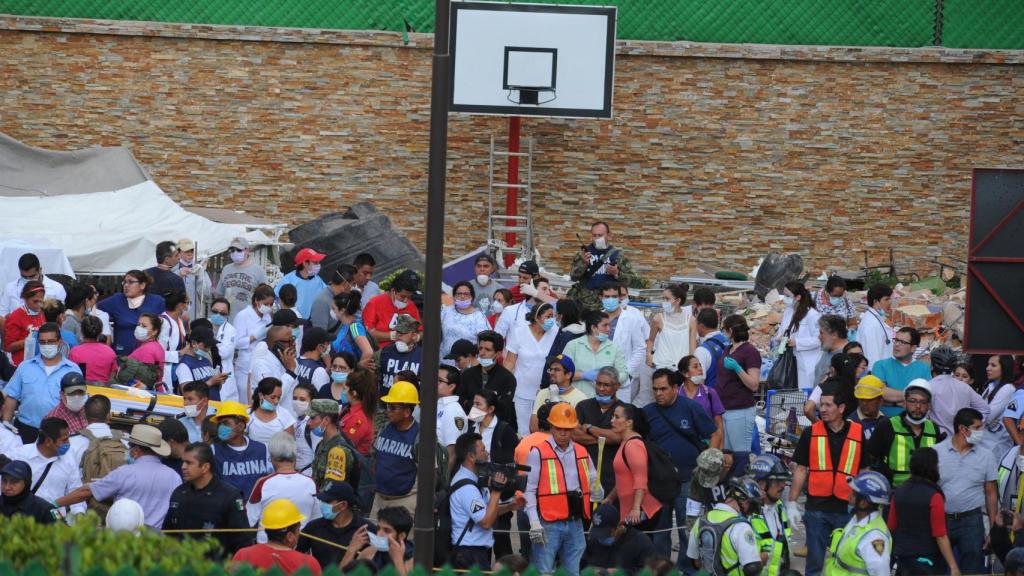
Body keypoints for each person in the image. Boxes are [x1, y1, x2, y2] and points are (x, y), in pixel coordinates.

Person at [789, 384, 868, 576]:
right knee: (815, 563)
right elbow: (801, 469)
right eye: (821, 405)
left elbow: (864, 471)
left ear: (841, 408)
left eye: (828, 405)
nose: (822, 409)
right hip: (817, 508)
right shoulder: (810, 433)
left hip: (846, 508)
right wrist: (791, 502)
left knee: (844, 561)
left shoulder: (858, 433)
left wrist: (865, 506)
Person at [643, 367, 717, 566]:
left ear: (675, 388)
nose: (658, 393)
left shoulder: (691, 408)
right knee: (660, 532)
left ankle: (688, 569)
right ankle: (661, 570)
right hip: (658, 484)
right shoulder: (647, 413)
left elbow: (714, 433)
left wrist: (709, 461)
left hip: (688, 481)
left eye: (663, 389)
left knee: (688, 530)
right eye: (655, 389)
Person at [55, 423, 182, 528]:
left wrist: (55, 504)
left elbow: (86, 492)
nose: (128, 451)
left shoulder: (125, 473)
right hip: (156, 540)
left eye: (130, 447)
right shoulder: (174, 477)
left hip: (125, 538)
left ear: (136, 450)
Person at [524, 402, 599, 576]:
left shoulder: (581, 452)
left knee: (573, 571)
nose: (563, 433)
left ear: (573, 429)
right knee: (544, 571)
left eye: (568, 429)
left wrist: (597, 489)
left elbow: (593, 479)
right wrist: (534, 521)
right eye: (559, 428)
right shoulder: (538, 452)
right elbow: (529, 490)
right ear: (551, 426)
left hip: (575, 521)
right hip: (548, 522)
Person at [935, 407, 999, 575]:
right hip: (942, 521)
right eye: (977, 428)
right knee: (940, 568)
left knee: (972, 569)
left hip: (972, 521)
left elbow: (991, 493)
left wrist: (993, 528)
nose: (981, 432)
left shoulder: (986, 456)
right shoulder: (937, 452)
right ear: (963, 429)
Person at [163, 442, 252, 556]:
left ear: (205, 467)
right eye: (183, 462)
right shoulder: (179, 493)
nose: (183, 467)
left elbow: (243, 541)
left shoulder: (229, 496)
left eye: (189, 463)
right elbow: (168, 534)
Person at [449, 432, 521, 569]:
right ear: (471, 456)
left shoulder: (474, 480)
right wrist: (496, 491)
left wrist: (509, 507)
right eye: (482, 450)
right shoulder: (467, 488)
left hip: (475, 552)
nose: (487, 453)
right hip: (468, 555)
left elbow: (487, 510)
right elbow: (486, 522)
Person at [2, 322, 82, 442]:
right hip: (25, 430)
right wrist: (5, 425)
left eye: (51, 341)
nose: (47, 345)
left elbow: (77, 404)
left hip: (57, 434)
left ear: (60, 342)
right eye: (43, 342)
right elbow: (11, 397)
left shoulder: (73, 370)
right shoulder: (25, 367)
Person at [887, 447, 961, 575]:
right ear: (932, 467)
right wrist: (953, 566)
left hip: (902, 560)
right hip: (926, 561)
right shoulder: (934, 496)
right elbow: (940, 535)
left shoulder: (898, 492)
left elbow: (891, 526)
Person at [468, 388, 520, 559]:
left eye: (478, 404)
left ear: (490, 409)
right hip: (476, 493)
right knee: (480, 544)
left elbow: (512, 464)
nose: (473, 407)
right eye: (473, 403)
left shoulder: (505, 431)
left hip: (499, 495)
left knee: (501, 542)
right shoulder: (470, 427)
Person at [866, 379, 943, 487]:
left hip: (925, 492)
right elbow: (869, 459)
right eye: (912, 401)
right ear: (904, 402)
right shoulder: (888, 425)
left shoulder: (934, 428)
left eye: (923, 402)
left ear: (929, 405)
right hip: (894, 492)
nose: (917, 406)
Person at [685, 477, 764, 576]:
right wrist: (763, 559)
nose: (750, 513)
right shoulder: (741, 527)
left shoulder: (700, 521)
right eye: (752, 507)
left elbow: (695, 562)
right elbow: (752, 569)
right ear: (745, 502)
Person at [247, 432, 320, 540]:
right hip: (300, 544)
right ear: (294, 456)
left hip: (267, 544)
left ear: (273, 458)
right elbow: (317, 517)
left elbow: (250, 518)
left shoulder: (263, 483)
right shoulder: (310, 483)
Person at [6, 417, 84, 517]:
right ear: (48, 441)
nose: (68, 444)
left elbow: (75, 490)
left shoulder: (69, 459)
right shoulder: (18, 456)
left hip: (54, 518)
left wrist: (79, 514)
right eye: (64, 440)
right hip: (22, 518)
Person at [823, 470, 892, 576]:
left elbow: (881, 572)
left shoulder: (874, 537)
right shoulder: (857, 520)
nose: (849, 496)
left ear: (863, 503)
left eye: (854, 494)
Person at [505, 301, 558, 435]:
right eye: (548, 316)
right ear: (537, 317)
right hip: (522, 390)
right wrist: (504, 383)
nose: (552, 319)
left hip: (546, 391)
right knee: (524, 430)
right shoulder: (519, 332)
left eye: (553, 316)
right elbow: (510, 361)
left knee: (545, 430)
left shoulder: (556, 332)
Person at [233, 498, 323, 575]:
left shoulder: (243, 555)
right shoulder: (308, 564)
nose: (299, 533)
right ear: (290, 536)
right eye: (298, 530)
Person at [607, 403, 661, 530]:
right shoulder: (625, 442)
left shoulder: (633, 445)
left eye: (617, 417)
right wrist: (610, 498)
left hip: (641, 510)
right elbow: (624, 477)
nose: (612, 420)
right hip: (631, 509)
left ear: (629, 423)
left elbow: (640, 479)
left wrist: (636, 508)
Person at [298, 480, 374, 568]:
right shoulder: (313, 527)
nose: (322, 504)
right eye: (321, 501)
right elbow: (296, 554)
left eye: (326, 501)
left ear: (343, 505)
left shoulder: (366, 531)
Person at [371, 381, 420, 518]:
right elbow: (376, 457)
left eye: (393, 408)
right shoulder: (386, 427)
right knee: (375, 539)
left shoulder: (420, 436)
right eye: (388, 406)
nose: (388, 411)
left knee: (402, 540)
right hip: (379, 499)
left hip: (405, 502)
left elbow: (430, 475)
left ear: (407, 412)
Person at [573, 366, 624, 494]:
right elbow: (574, 435)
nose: (601, 389)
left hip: (611, 475)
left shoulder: (624, 409)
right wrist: (605, 438)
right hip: (584, 472)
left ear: (617, 386)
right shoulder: (583, 406)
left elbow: (618, 437)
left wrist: (590, 428)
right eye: (598, 384)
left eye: (606, 385)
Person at [211, 400, 273, 500]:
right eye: (219, 424)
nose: (221, 427)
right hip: (228, 510)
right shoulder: (213, 450)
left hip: (256, 509)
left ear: (241, 426)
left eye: (226, 423)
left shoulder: (262, 449)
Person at [568, 221, 635, 312]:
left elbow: (632, 280)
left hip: (610, 305)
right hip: (587, 306)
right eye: (594, 235)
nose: (597, 238)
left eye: (600, 235)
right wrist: (583, 264)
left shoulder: (617, 254)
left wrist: (617, 273)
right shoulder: (584, 254)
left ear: (608, 235)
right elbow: (573, 277)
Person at [562, 309, 629, 399]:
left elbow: (624, 374)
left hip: (604, 400)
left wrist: (607, 379)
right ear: (593, 328)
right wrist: (583, 375)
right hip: (577, 399)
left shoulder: (614, 348)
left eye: (609, 325)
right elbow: (562, 373)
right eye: (605, 325)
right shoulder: (573, 345)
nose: (609, 329)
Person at [717, 315, 762, 451]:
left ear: (730, 331)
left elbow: (754, 385)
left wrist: (738, 368)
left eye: (724, 330)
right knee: (726, 453)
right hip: (724, 408)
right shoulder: (728, 349)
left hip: (740, 410)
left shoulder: (750, 351)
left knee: (740, 452)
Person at [925, 346, 990, 438]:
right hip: (962, 439)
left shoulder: (928, 386)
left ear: (932, 366)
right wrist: (971, 428)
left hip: (937, 439)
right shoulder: (965, 387)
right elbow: (985, 410)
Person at [97, 270, 166, 355]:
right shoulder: (117, 300)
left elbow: (166, 325)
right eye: (124, 282)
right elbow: (93, 309)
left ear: (142, 285)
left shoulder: (157, 301)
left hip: (148, 354)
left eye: (131, 282)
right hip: (122, 355)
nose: (126, 285)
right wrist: (106, 331)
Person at [746, 454, 793, 576]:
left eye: (783, 481)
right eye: (777, 481)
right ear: (761, 484)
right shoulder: (748, 516)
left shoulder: (779, 507)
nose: (783, 485)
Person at [459, 330, 517, 426]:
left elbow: (503, 409)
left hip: (495, 429)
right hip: (468, 426)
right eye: (480, 348)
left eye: (487, 350)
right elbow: (461, 402)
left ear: (498, 354)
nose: (482, 353)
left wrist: (473, 406)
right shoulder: (467, 374)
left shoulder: (507, 378)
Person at [872, 327, 932, 417]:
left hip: (913, 424)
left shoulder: (923, 368)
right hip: (885, 423)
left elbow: (926, 397)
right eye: (896, 340)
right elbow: (880, 392)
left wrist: (892, 401)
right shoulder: (880, 365)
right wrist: (912, 398)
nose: (896, 345)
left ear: (913, 348)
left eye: (902, 342)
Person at [774, 281, 823, 389]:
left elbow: (819, 340)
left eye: (788, 296)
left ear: (798, 297)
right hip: (789, 358)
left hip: (806, 361)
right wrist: (780, 338)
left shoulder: (812, 315)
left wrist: (797, 342)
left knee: (803, 392)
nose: (784, 299)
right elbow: (782, 331)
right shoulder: (788, 311)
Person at [585, 502, 657, 574]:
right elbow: (582, 565)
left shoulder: (641, 542)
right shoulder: (594, 540)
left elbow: (650, 572)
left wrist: (623, 573)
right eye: (598, 533)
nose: (602, 537)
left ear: (619, 525)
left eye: (606, 533)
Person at [233, 283, 275, 402]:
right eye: (265, 304)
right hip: (244, 367)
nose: (268, 307)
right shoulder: (243, 316)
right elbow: (236, 343)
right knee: (245, 401)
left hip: (261, 364)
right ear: (257, 301)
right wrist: (254, 337)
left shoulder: (268, 316)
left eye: (271, 304)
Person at [310, 398, 360, 491]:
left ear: (326, 420)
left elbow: (331, 489)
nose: (309, 423)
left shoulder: (338, 450)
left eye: (312, 418)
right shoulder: (321, 444)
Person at [363, 269, 421, 349]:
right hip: (381, 352)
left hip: (405, 353)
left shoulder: (411, 306)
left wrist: (415, 337)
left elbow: (421, 331)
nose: (406, 300)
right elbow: (368, 333)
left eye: (409, 297)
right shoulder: (375, 303)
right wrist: (393, 336)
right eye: (403, 297)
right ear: (393, 290)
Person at [647, 283, 696, 373]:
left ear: (677, 301)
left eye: (667, 299)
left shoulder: (691, 320)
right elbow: (651, 340)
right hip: (661, 366)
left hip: (682, 369)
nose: (664, 302)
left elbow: (692, 348)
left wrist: (691, 366)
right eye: (663, 299)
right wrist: (648, 355)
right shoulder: (658, 318)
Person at [678, 354, 725, 448]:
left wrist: (720, 450)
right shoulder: (676, 394)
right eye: (695, 366)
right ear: (685, 373)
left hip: (708, 445)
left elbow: (719, 424)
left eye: (700, 365)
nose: (700, 369)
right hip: (682, 445)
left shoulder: (710, 393)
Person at [531, 354, 588, 432]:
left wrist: (555, 402)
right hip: (542, 442)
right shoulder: (542, 393)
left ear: (568, 375)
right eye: (551, 369)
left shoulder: (581, 399)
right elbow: (533, 427)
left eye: (557, 370)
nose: (552, 372)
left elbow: (575, 432)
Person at [215, 237, 266, 320]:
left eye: (239, 250)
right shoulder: (226, 269)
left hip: (248, 321)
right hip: (227, 320)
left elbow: (265, 299)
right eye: (232, 250)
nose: (235, 253)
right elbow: (219, 294)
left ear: (247, 251)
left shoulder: (259, 271)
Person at [0, 253, 66, 317]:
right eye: (24, 276)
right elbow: (2, 313)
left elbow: (60, 316)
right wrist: (17, 320)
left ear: (40, 270)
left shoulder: (57, 288)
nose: (28, 279)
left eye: (32, 276)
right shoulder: (10, 288)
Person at [977, 354, 1017, 460]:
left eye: (993, 365)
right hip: (983, 442)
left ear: (1004, 368)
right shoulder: (991, 385)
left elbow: (987, 415)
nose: (987, 368)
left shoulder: (1008, 388)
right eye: (988, 364)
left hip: (995, 446)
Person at [495, 273, 554, 343]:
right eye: (544, 289)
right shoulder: (510, 311)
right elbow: (497, 338)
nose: (548, 293)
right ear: (531, 289)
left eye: (549, 290)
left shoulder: (551, 314)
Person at [441, 281, 490, 359]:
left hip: (468, 365)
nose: (462, 296)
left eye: (466, 294)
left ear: (472, 297)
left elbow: (487, 341)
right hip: (444, 362)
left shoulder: (479, 317)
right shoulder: (445, 312)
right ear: (454, 296)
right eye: (459, 294)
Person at [176, 326, 228, 399]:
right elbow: (187, 393)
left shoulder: (206, 361)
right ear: (194, 343)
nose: (208, 350)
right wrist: (211, 382)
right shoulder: (184, 365)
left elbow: (215, 388)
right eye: (206, 346)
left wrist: (218, 381)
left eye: (210, 347)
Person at [3, 280, 46, 366]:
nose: (39, 305)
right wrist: (29, 341)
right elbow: (7, 346)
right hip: (22, 364)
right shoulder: (16, 316)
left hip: (40, 362)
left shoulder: (42, 313)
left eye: (41, 301)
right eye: (35, 301)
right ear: (25, 298)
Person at [276, 248, 327, 318]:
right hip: (292, 322)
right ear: (305, 263)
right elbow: (277, 301)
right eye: (315, 262)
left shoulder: (317, 280)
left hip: (311, 323)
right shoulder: (288, 281)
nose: (319, 265)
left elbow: (326, 295)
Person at [329, 290, 374, 369]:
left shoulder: (355, 327)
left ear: (342, 310)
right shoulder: (343, 325)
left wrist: (357, 368)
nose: (332, 311)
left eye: (333, 308)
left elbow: (368, 352)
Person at [247, 377, 297, 445]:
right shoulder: (248, 414)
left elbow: (291, 444)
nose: (276, 401)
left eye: (279, 397)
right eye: (272, 397)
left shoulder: (285, 415)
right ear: (261, 395)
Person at [69, 316, 118, 383]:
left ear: (82, 331)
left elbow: (72, 376)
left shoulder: (75, 352)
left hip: (82, 390)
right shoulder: (110, 352)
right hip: (104, 391)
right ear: (100, 332)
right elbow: (113, 377)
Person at [174, 238, 212, 321]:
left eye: (191, 251)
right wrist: (178, 274)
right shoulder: (172, 269)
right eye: (186, 251)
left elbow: (206, 295)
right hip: (176, 315)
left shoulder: (198, 268)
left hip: (194, 316)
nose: (190, 253)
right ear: (179, 252)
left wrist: (201, 275)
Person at [157, 290, 188, 389]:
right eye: (187, 303)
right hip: (166, 372)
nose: (188, 307)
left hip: (178, 369)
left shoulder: (179, 320)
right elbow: (158, 353)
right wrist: (180, 353)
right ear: (180, 305)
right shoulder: (163, 322)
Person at [310, 263, 356, 331]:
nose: (355, 287)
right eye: (354, 284)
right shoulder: (322, 302)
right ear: (345, 284)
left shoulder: (343, 299)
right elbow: (319, 336)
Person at [437, 365, 469, 462]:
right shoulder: (437, 404)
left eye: (439, 380)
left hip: (438, 470)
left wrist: (442, 477)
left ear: (451, 386)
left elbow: (452, 453)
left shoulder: (454, 411)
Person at [858, 285, 894, 369]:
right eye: (886, 299)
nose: (890, 302)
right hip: (877, 374)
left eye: (890, 299)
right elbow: (871, 356)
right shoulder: (870, 324)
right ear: (875, 301)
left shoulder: (877, 318)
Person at [127, 313, 166, 389]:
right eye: (138, 324)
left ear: (154, 331)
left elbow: (144, 382)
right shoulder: (154, 346)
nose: (139, 328)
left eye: (144, 326)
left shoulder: (148, 350)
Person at [694, 308, 730, 388]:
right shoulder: (729, 340)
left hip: (712, 396)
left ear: (701, 326)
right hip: (730, 394)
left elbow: (699, 382)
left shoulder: (702, 351)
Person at [814, 314, 849, 386]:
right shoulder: (827, 350)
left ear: (834, 334)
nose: (819, 337)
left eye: (822, 333)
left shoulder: (847, 354)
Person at [850, 375, 885, 441]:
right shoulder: (850, 424)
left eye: (869, 400)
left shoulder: (886, 421)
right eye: (861, 399)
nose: (864, 403)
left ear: (880, 400)